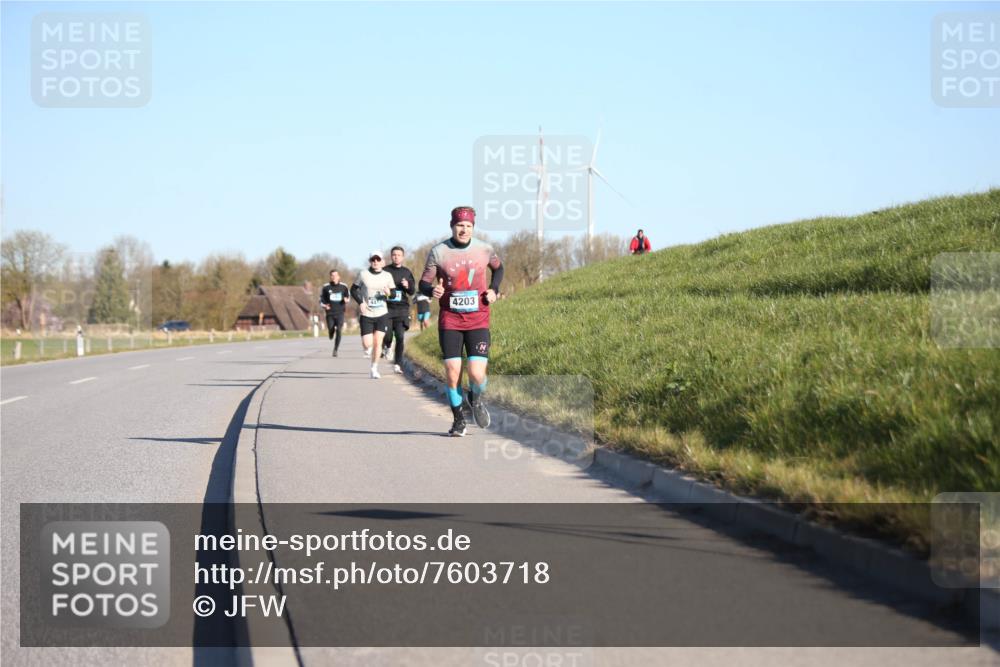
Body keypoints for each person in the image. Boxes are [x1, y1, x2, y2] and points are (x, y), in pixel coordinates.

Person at [419, 206, 504, 437]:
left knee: (477, 374)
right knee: (452, 370)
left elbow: (498, 269)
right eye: (459, 225)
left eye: (468, 226)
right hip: (450, 320)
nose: (463, 230)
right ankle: (458, 420)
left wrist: (494, 290)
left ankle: (475, 397)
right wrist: (431, 289)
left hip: (478, 319)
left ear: (473, 227)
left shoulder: (484, 249)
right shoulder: (439, 251)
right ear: (452, 226)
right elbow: (423, 283)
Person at [350, 250, 396, 379]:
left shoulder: (387, 276)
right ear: (370, 261)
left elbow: (393, 293)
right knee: (367, 343)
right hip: (367, 313)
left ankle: (374, 368)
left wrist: (388, 293)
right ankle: (367, 349)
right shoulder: (363, 274)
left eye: (378, 260)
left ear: (382, 262)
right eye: (373, 260)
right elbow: (353, 290)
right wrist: (360, 303)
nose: (375, 262)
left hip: (382, 313)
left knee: (378, 341)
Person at [381, 246, 416, 374]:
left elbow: (412, 291)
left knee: (400, 337)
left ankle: (398, 364)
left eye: (399, 255)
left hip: (402, 308)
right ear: (391, 256)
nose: (396, 257)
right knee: (388, 334)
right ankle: (387, 345)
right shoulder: (384, 271)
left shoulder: (407, 272)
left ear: (403, 257)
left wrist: (407, 286)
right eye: (394, 255)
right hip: (387, 308)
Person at [319, 269, 350, 357]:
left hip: (340, 312)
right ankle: (330, 332)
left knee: (339, 330)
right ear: (330, 277)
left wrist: (346, 300)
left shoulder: (344, 287)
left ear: (339, 276)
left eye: (335, 275)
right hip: (330, 313)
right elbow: (321, 300)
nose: (334, 277)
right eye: (332, 275)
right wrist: (324, 305)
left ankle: (335, 349)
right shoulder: (326, 287)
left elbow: (348, 297)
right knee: (331, 328)